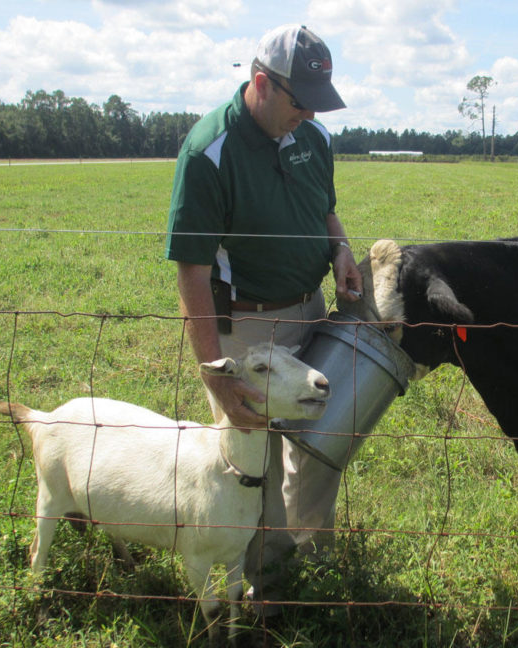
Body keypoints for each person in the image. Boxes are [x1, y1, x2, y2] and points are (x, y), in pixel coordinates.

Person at [164, 23, 362, 616]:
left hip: (310, 312)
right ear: (260, 84)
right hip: (246, 330)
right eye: (299, 102)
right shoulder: (208, 152)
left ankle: (310, 554)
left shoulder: (315, 136)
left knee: (322, 440)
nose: (308, 114)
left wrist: (342, 249)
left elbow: (325, 210)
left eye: (315, 104)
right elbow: (192, 273)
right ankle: (261, 585)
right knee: (256, 459)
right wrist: (216, 376)